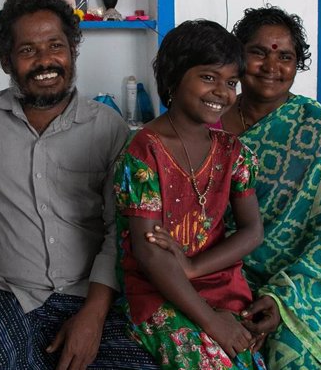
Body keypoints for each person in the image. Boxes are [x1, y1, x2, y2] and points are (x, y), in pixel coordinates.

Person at [0, 0, 157, 370]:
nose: (45, 61)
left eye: (55, 46)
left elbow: (117, 227)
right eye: (27, 50)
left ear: (72, 50)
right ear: (6, 59)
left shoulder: (109, 127)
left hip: (87, 291)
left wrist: (93, 314)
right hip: (1, 289)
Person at [114, 20, 267, 369]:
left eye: (231, 82)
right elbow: (151, 255)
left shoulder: (233, 151)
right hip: (158, 293)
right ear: (174, 76)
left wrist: (195, 267)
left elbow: (251, 230)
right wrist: (212, 322)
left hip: (219, 284)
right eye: (209, 77)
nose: (222, 92)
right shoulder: (144, 153)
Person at [217, 6, 321, 369]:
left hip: (297, 279)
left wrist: (284, 300)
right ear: (238, 56)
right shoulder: (208, 120)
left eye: (285, 57)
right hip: (215, 271)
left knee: (291, 352)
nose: (271, 66)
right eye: (259, 52)